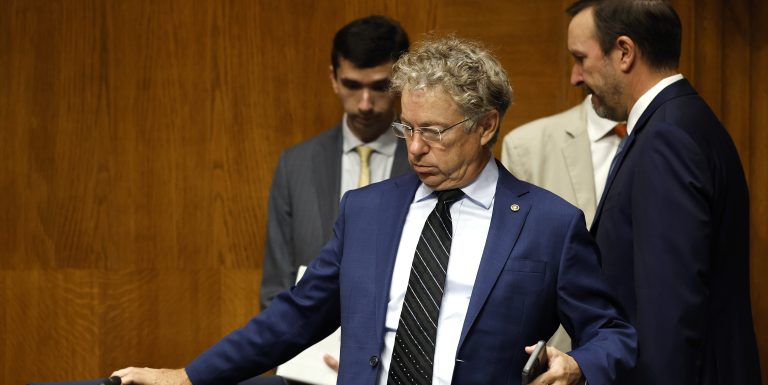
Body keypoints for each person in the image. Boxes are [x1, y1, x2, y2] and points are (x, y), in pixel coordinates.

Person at [111, 35, 637, 385]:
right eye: (408, 129)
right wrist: (188, 376)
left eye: (433, 131)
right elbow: (296, 316)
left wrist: (578, 365)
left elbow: (612, 332)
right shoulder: (366, 211)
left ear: (485, 125)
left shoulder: (548, 223)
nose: (414, 148)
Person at [566, 1, 761, 384]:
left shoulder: (666, 137)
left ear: (624, 52)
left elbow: (670, 314)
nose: (575, 76)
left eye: (580, 58)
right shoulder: (682, 120)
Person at [261, 15, 411, 310]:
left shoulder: (430, 160)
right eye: (352, 85)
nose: (365, 103)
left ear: (402, 81)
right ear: (333, 78)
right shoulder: (296, 165)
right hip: (310, 350)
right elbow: (277, 287)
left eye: (380, 86)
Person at [501, 94, 620, 352]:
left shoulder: (669, 142)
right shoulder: (528, 146)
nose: (576, 76)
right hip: (558, 355)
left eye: (582, 58)